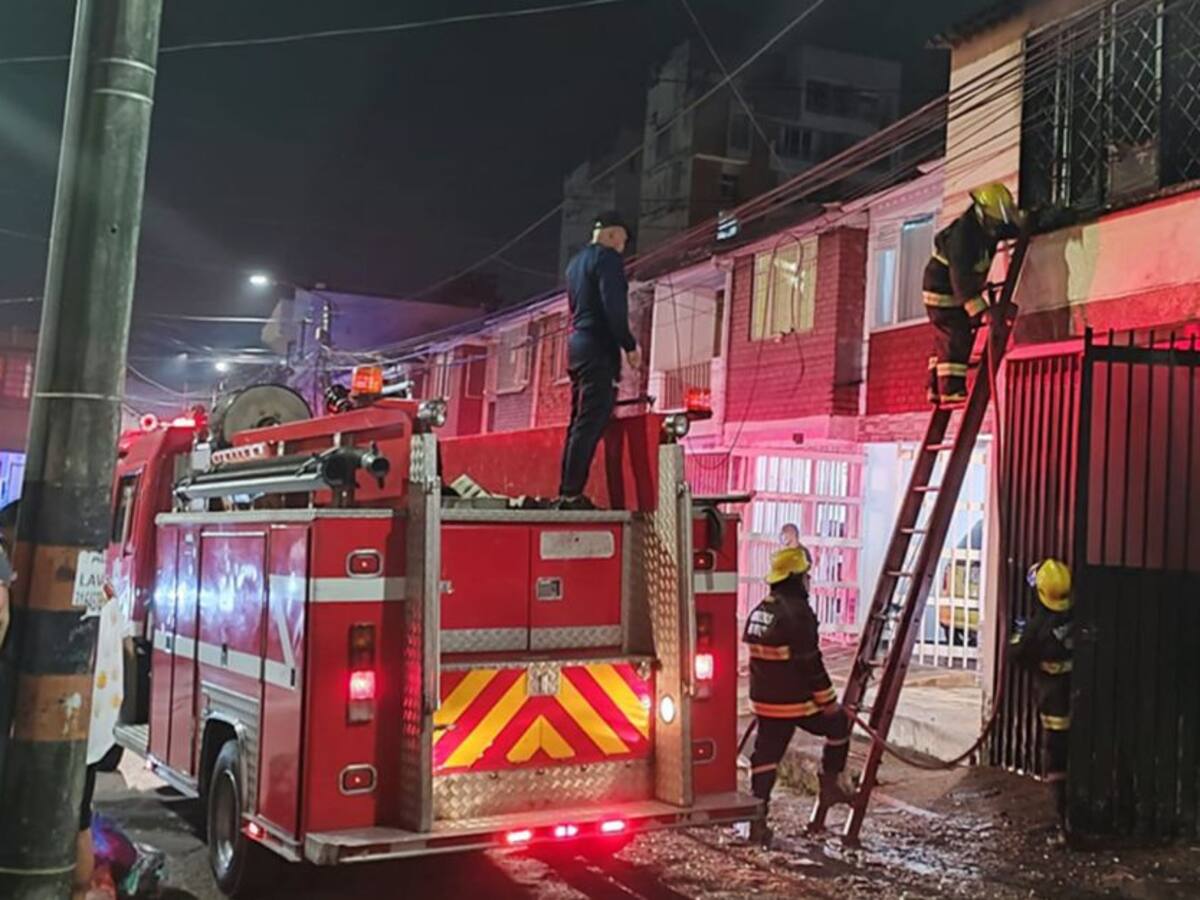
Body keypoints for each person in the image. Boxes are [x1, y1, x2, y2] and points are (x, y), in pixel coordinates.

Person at [744, 546, 852, 845]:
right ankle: (831, 784)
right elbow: (811, 665)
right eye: (805, 575)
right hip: (793, 703)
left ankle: (757, 820)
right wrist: (829, 703)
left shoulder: (761, 610)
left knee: (765, 757)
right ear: (796, 578)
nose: (808, 580)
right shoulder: (799, 614)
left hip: (763, 702)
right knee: (838, 725)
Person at [556, 210, 640, 510]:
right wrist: (628, 345)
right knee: (592, 421)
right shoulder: (607, 260)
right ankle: (571, 494)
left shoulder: (574, 264)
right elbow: (613, 307)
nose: (622, 248)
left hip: (576, 344)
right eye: (623, 241)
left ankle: (566, 489)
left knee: (578, 421)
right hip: (598, 346)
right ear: (611, 234)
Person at [922, 182, 1022, 407]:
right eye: (994, 221)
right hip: (943, 290)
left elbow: (1013, 228)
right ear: (981, 212)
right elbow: (961, 277)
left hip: (952, 291)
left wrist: (1032, 221)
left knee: (945, 338)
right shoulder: (963, 236)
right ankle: (951, 392)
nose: (996, 227)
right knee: (957, 335)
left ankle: (934, 388)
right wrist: (980, 310)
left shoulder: (987, 226)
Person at [1010, 557, 1073, 845]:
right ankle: (1066, 819)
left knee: (1055, 757)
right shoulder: (1077, 613)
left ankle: (1062, 820)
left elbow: (1018, 654)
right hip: (1077, 693)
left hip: (1053, 697)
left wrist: (1016, 635)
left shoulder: (1038, 625)